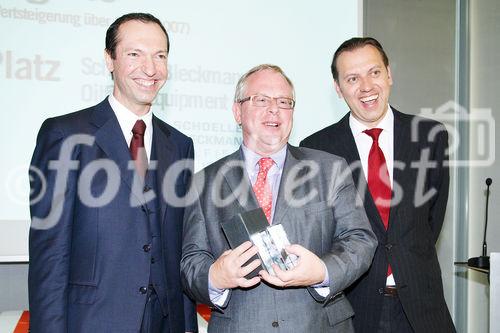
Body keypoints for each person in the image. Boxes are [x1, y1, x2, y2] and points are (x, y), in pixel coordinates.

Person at [29, 13, 197, 333]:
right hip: (94, 322)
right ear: (109, 60)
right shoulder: (65, 135)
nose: (150, 68)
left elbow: (179, 246)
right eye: (135, 54)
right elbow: (50, 256)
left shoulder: (180, 145)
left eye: (160, 56)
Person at [180, 64, 377, 332]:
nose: (274, 109)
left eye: (284, 102)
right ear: (237, 111)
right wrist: (215, 276)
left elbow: (361, 240)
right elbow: (191, 262)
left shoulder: (330, 169)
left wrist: (321, 271)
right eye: (261, 100)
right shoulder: (203, 183)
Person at [300, 37, 456, 332]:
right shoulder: (316, 149)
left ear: (389, 74)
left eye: (374, 72)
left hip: (422, 309)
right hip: (353, 312)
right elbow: (320, 234)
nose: (367, 86)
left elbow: (431, 220)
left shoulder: (429, 137)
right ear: (338, 88)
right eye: (352, 78)